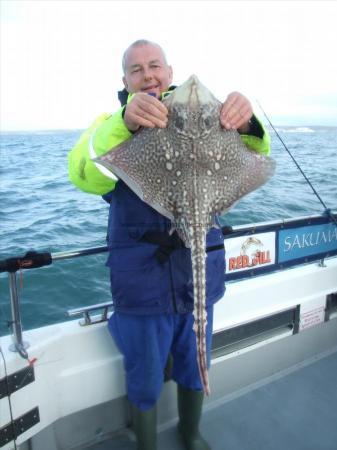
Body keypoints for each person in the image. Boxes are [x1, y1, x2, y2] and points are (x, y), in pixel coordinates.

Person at [68, 39, 271, 450]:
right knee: (145, 372)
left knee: (196, 364)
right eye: (136, 70)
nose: (148, 75)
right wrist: (123, 124)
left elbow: (256, 155)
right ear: (125, 81)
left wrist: (248, 123)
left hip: (201, 267)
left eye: (154, 66)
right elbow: (84, 173)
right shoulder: (110, 124)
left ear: (169, 72)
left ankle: (190, 433)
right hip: (142, 283)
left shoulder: (211, 118)